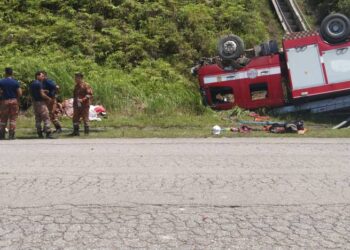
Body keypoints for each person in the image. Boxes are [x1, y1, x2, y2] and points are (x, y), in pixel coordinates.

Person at [29, 71, 54, 139]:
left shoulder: (32, 83)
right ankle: (48, 133)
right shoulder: (39, 83)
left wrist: (43, 91)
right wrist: (49, 98)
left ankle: (39, 133)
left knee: (38, 118)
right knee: (46, 117)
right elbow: (41, 94)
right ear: (37, 76)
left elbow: (35, 92)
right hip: (41, 103)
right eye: (42, 76)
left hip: (35, 103)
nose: (43, 77)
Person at [0, 68, 22, 140]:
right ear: (12, 73)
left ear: (5, 73)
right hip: (14, 101)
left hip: (4, 101)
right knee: (13, 118)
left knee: (3, 118)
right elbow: (20, 93)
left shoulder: (1, 82)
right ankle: (11, 135)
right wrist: (17, 99)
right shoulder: (15, 82)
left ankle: (2, 135)